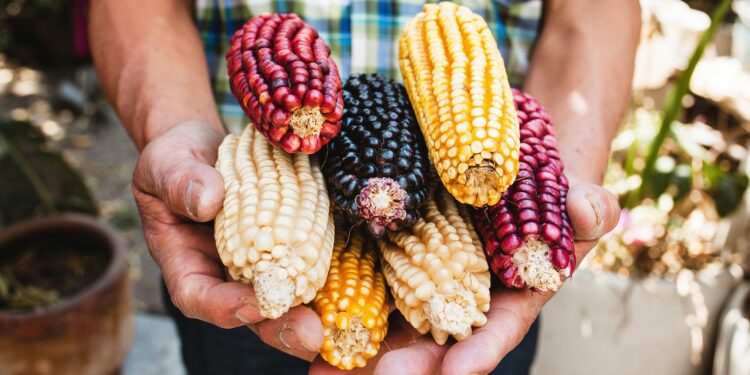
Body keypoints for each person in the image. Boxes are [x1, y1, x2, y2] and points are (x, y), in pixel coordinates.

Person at [89, 0, 639, 373]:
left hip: (483, 272)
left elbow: (593, 12)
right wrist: (171, 128)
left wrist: (561, 164)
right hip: (237, 261)